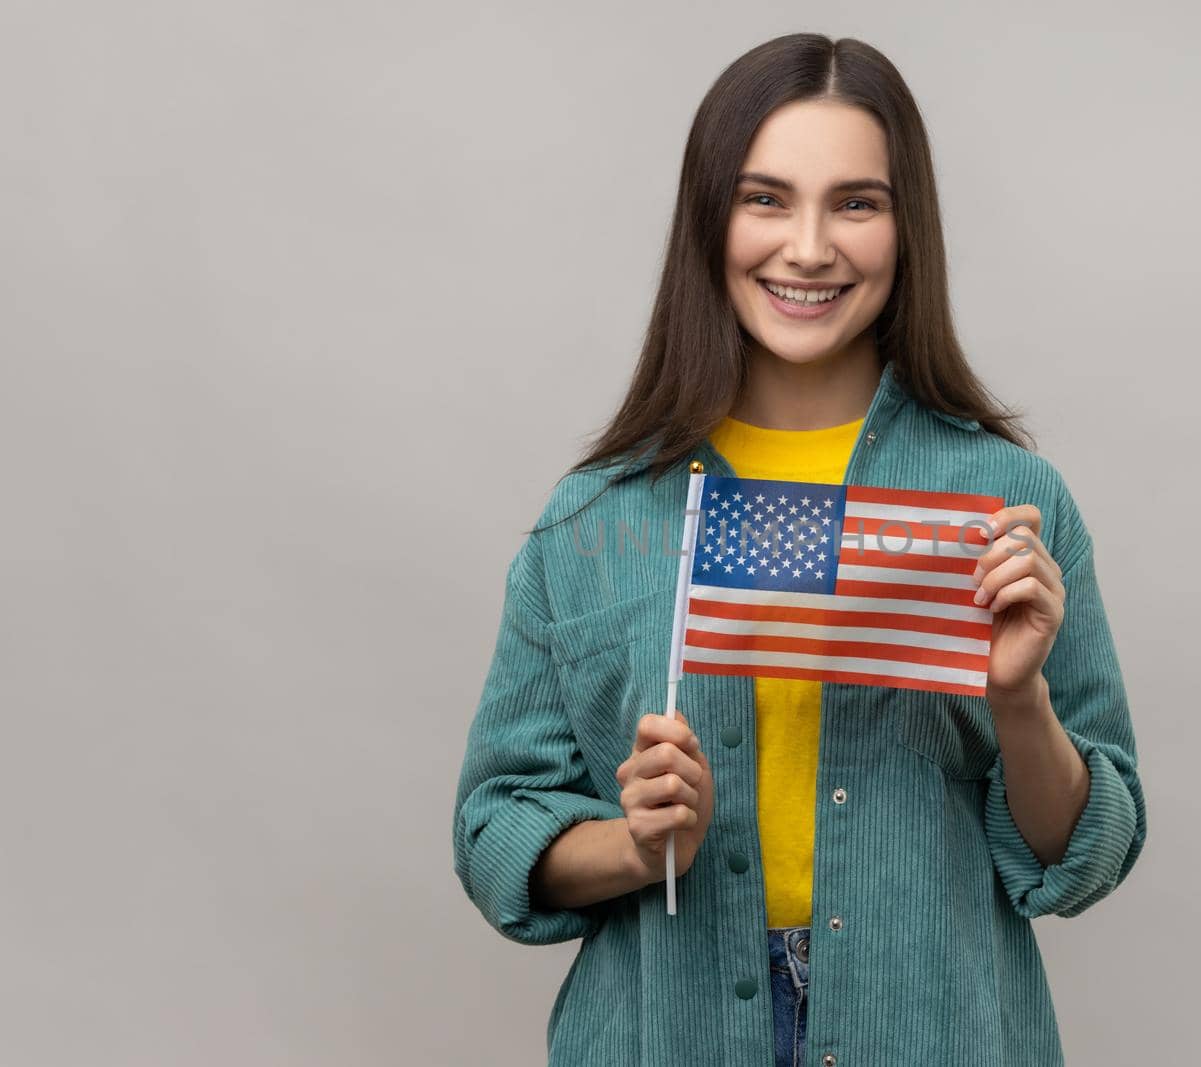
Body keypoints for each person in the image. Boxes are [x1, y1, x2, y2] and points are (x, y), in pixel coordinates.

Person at [451, 33, 1147, 1067]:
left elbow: (1083, 859)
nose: (810, 247)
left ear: (907, 230)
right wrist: (635, 842)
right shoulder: (596, 517)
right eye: (765, 198)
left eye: (856, 203)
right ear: (708, 220)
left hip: (931, 1026)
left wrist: (1016, 698)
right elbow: (494, 827)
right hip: (662, 1030)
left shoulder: (1007, 502)